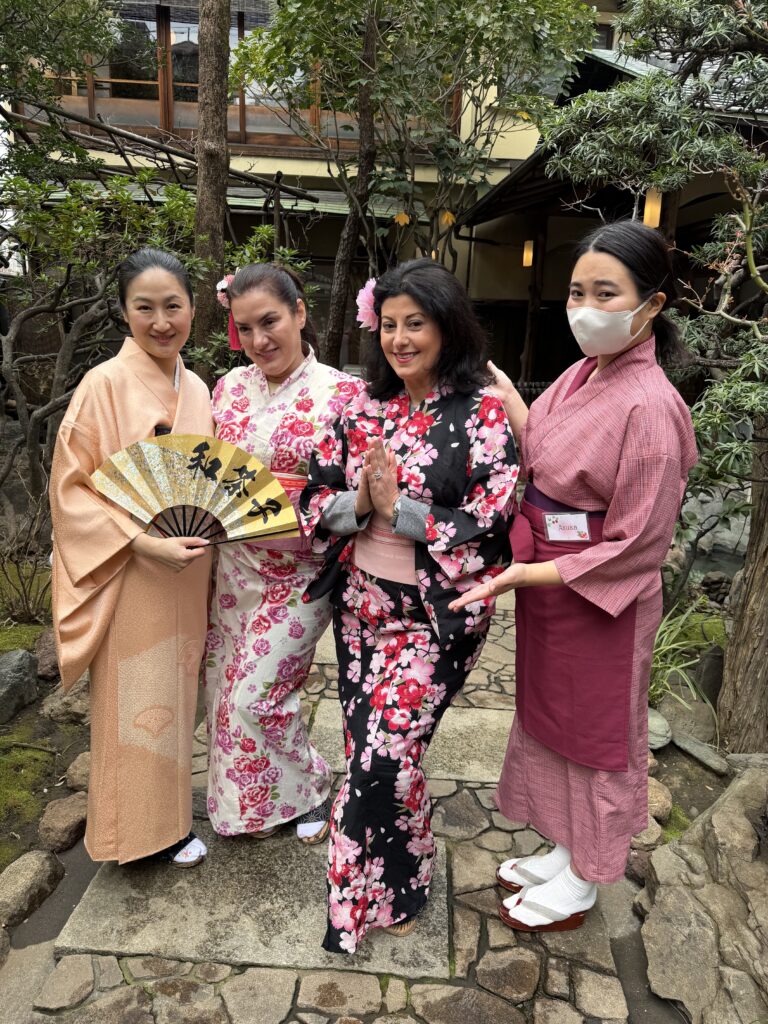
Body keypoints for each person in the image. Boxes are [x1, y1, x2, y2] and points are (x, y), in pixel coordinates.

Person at [450, 220, 698, 933]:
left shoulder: (651, 406)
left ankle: (589, 877)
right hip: (553, 584)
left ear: (650, 305)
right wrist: (510, 401)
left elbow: (638, 542)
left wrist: (527, 573)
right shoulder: (583, 373)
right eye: (577, 291)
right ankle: (566, 847)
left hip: (598, 593)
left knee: (597, 736)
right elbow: (551, 456)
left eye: (605, 293)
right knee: (551, 720)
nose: (585, 307)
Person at [300, 258, 519, 954]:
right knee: (373, 749)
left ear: (446, 327)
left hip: (434, 621)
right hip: (361, 612)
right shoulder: (357, 408)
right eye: (389, 324)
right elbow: (313, 496)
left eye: (414, 324)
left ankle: (350, 908)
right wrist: (358, 505)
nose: (400, 338)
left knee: (380, 761)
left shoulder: (481, 411)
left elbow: (494, 512)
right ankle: (408, 873)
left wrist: (407, 512)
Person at [50, 247, 214, 867]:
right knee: (133, 698)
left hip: (187, 566)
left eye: (173, 306)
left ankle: (169, 821)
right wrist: (143, 541)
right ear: (124, 313)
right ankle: (134, 836)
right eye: (144, 308)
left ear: (193, 310)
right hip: (133, 567)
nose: (161, 321)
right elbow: (70, 489)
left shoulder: (195, 386)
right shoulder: (103, 384)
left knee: (174, 700)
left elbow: (214, 482)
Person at [204, 263, 364, 844]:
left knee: (258, 694)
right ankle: (252, 810)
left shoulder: (346, 394)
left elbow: (357, 494)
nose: (258, 340)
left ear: (299, 312)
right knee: (227, 690)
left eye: (269, 321)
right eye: (245, 328)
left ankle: (311, 784)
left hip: (302, 569)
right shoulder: (227, 388)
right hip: (233, 565)